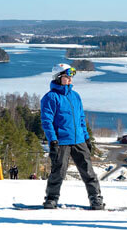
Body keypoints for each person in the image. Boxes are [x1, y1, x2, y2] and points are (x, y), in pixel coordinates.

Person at [40, 63, 104, 210]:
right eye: (66, 77)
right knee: (58, 172)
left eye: (71, 77)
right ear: (58, 78)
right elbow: (47, 122)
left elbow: (81, 119)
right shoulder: (50, 98)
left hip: (79, 140)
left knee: (88, 172)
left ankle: (95, 198)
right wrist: (53, 141)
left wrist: (87, 138)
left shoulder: (75, 96)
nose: (70, 80)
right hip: (61, 141)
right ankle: (51, 199)